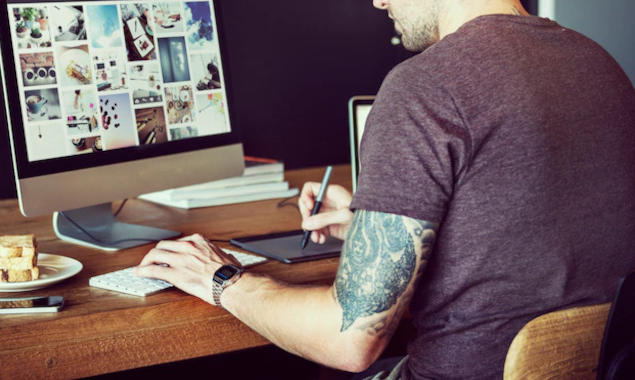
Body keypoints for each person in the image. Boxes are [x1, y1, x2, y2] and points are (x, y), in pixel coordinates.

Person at [135, 0, 635, 378]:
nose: (377, 1)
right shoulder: (601, 66)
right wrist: (377, 224)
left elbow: (349, 339)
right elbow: (537, 235)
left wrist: (225, 280)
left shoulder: (427, 87)